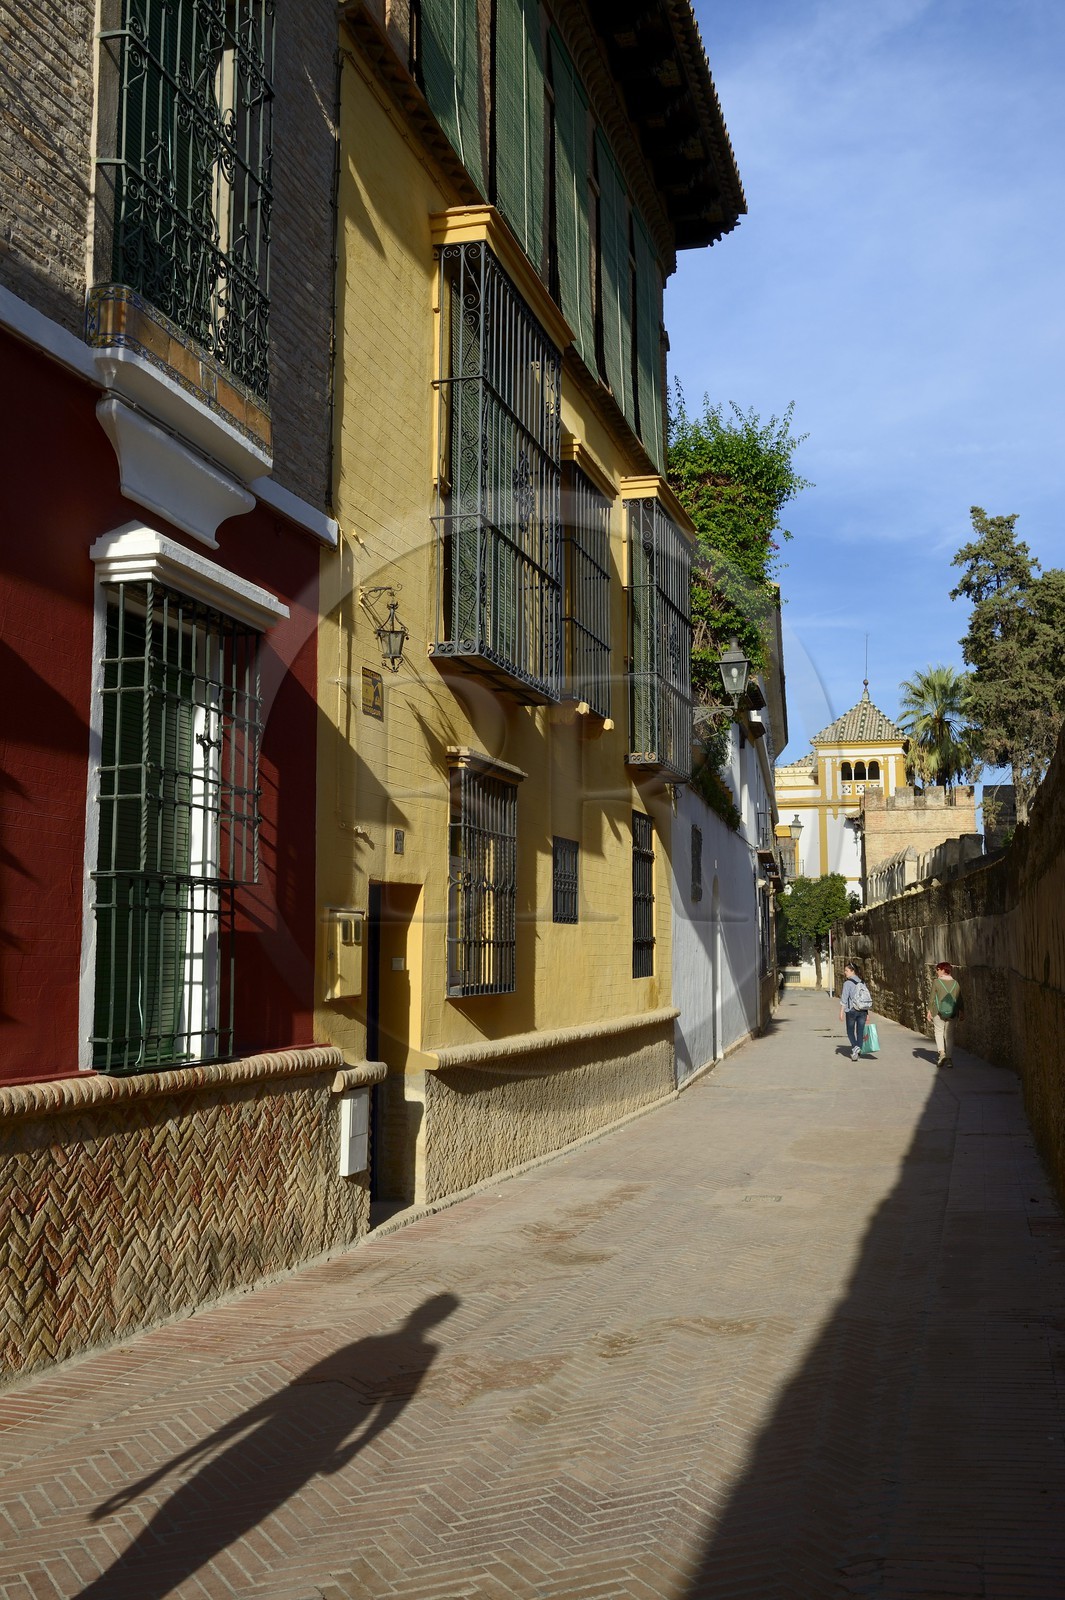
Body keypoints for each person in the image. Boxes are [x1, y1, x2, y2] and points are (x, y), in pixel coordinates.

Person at [927, 960, 963, 1068]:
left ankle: (942, 1053)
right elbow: (960, 999)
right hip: (953, 1013)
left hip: (938, 1012)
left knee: (939, 1032)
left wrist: (929, 1010)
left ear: (943, 970)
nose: (937, 971)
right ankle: (949, 1059)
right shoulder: (956, 983)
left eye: (938, 969)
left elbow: (932, 997)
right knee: (949, 1035)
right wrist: (962, 1011)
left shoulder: (937, 982)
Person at [839, 960, 872, 1061]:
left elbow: (844, 999)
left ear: (852, 971)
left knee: (850, 1031)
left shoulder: (847, 983)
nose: (845, 972)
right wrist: (867, 1013)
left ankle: (855, 1047)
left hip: (851, 1011)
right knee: (860, 1032)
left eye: (846, 970)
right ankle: (857, 1053)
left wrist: (841, 1012)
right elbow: (865, 998)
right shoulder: (862, 982)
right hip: (862, 1011)